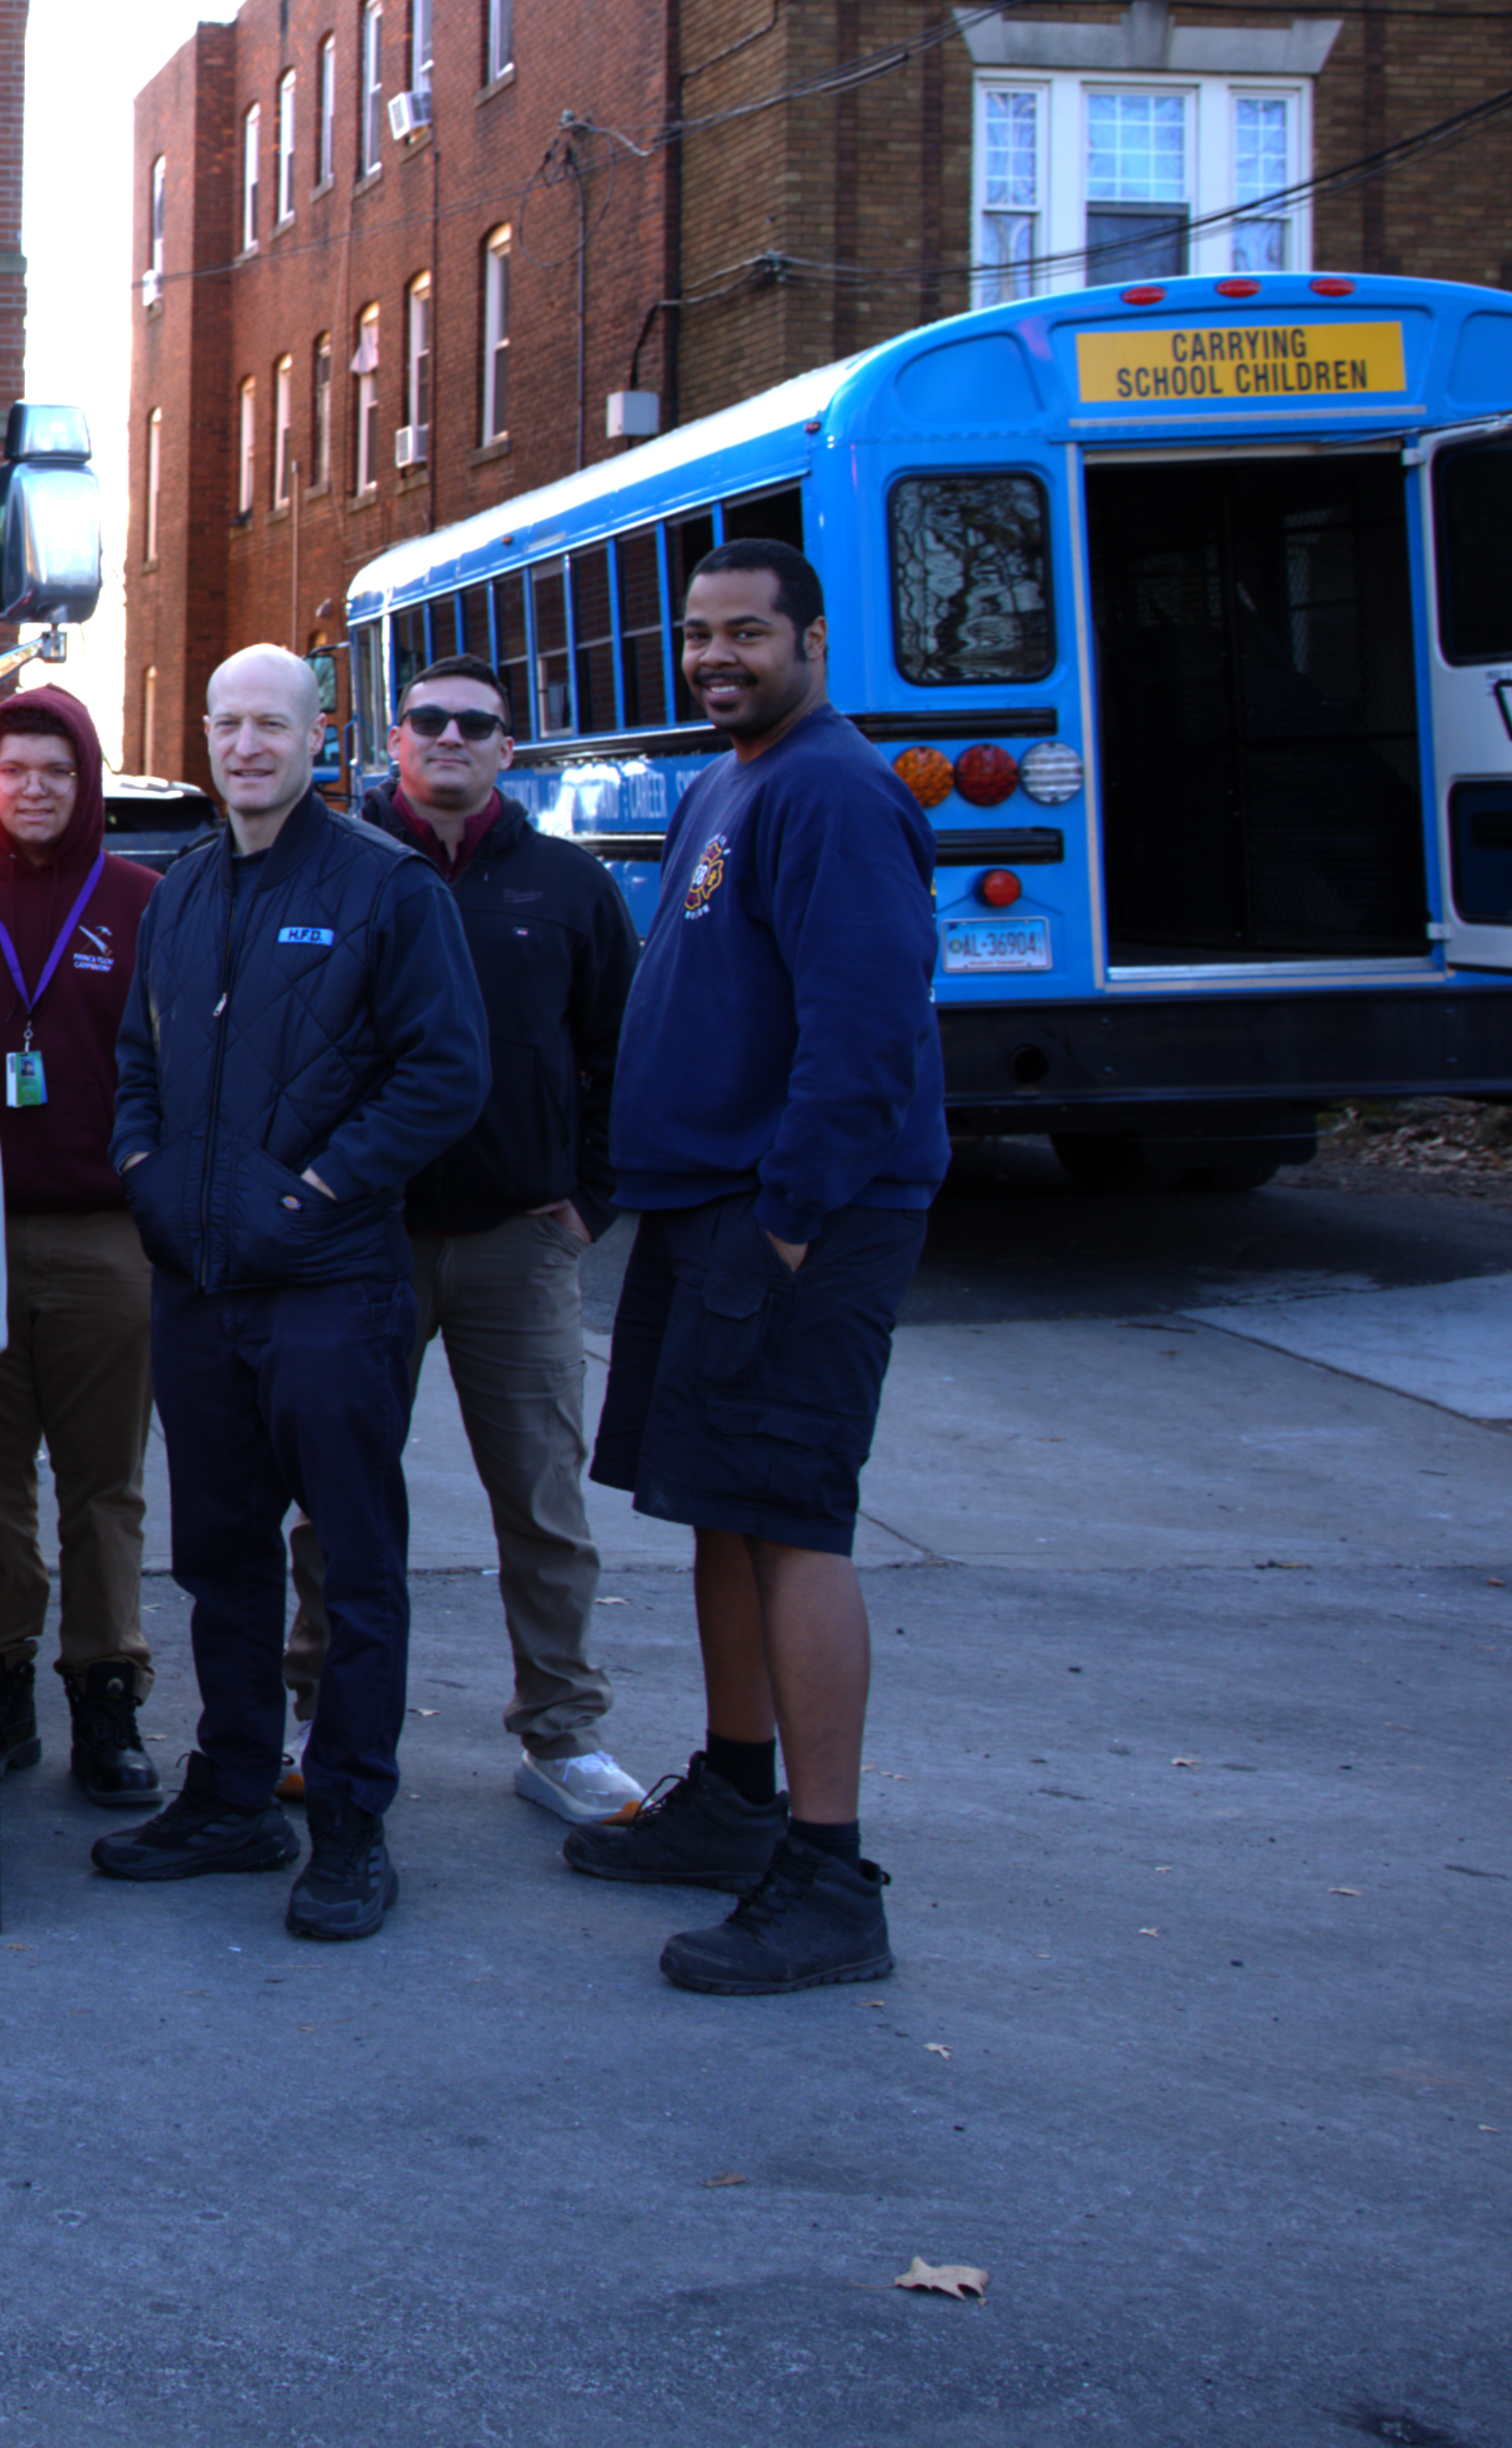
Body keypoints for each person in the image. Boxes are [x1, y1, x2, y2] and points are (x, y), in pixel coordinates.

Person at [560, 539, 946, 1994]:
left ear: (813, 640)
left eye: (746, 633)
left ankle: (828, 1874)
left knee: (793, 1519)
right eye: (698, 634)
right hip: (709, 1205)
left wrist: (790, 1213)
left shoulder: (835, 791)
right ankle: (735, 1794)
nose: (715, 654)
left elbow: (867, 1029)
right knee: (721, 1506)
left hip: (795, 1217)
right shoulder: (734, 781)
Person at [85, 644, 486, 1945]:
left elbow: (442, 1075)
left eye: (272, 724)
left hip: (327, 1288)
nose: (246, 745)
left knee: (354, 1566)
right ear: (202, 737)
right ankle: (235, 1793)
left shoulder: (387, 889)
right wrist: (140, 1169)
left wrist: (313, 1195)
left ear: (321, 738)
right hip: (196, 1288)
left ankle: (352, 1823)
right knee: (217, 1561)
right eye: (226, 723)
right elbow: (136, 1060)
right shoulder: (183, 893)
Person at [284, 656, 649, 1827]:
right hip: (361, 1240)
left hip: (514, 1242)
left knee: (542, 1501)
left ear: (508, 749)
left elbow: (615, 1054)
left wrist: (587, 1196)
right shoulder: (331, 871)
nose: (449, 737)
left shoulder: (569, 886)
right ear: (390, 741)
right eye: (427, 720)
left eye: (475, 724)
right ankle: (316, 1712)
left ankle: (562, 1734)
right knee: (334, 1495)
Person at [0, 687, 168, 1808]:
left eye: (54, 773)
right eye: (11, 770)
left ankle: (104, 1691)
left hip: (105, 1236)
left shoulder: (148, 904)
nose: (31, 790)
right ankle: (2, 1678)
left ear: (86, 782)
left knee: (103, 1484)